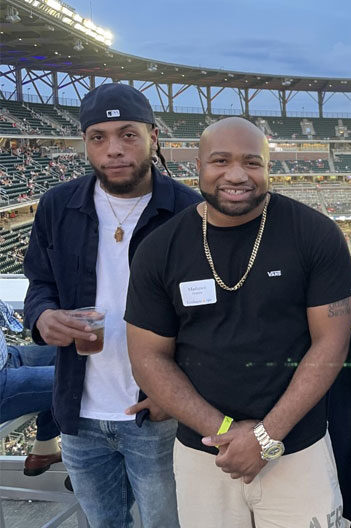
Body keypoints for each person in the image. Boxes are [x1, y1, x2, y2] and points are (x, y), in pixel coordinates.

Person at [124, 116, 351, 528]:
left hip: (297, 449)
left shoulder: (315, 235)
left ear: (268, 167)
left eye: (252, 162)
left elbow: (330, 345)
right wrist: (228, 434)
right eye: (220, 161)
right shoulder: (160, 248)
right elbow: (148, 357)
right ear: (197, 165)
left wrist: (265, 437)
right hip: (204, 454)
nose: (236, 175)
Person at [23, 82, 201, 528]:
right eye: (98, 137)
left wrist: (170, 397)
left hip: (157, 414)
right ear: (85, 144)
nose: (113, 149)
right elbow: (39, 283)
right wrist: (43, 316)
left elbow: (210, 317)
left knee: (167, 524)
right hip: (78, 413)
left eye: (127, 134)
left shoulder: (188, 211)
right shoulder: (57, 205)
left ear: (153, 137)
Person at [0, 299, 60, 476]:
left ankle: (45, 446)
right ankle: (87, 467)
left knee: (72, 349)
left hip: (7, 357)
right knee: (80, 379)